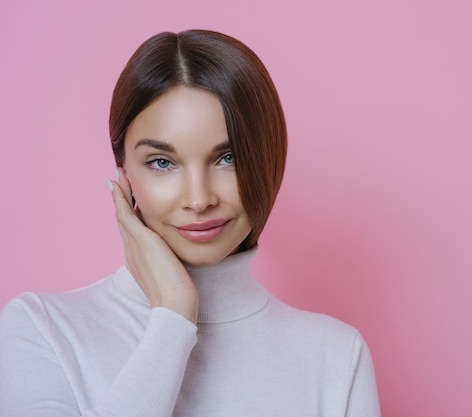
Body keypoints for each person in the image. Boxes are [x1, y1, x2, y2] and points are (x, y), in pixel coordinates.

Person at [0, 30, 380, 416]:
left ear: (268, 162)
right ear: (125, 175)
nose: (199, 200)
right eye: (162, 163)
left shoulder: (335, 357)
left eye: (228, 158)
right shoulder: (43, 331)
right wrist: (172, 317)